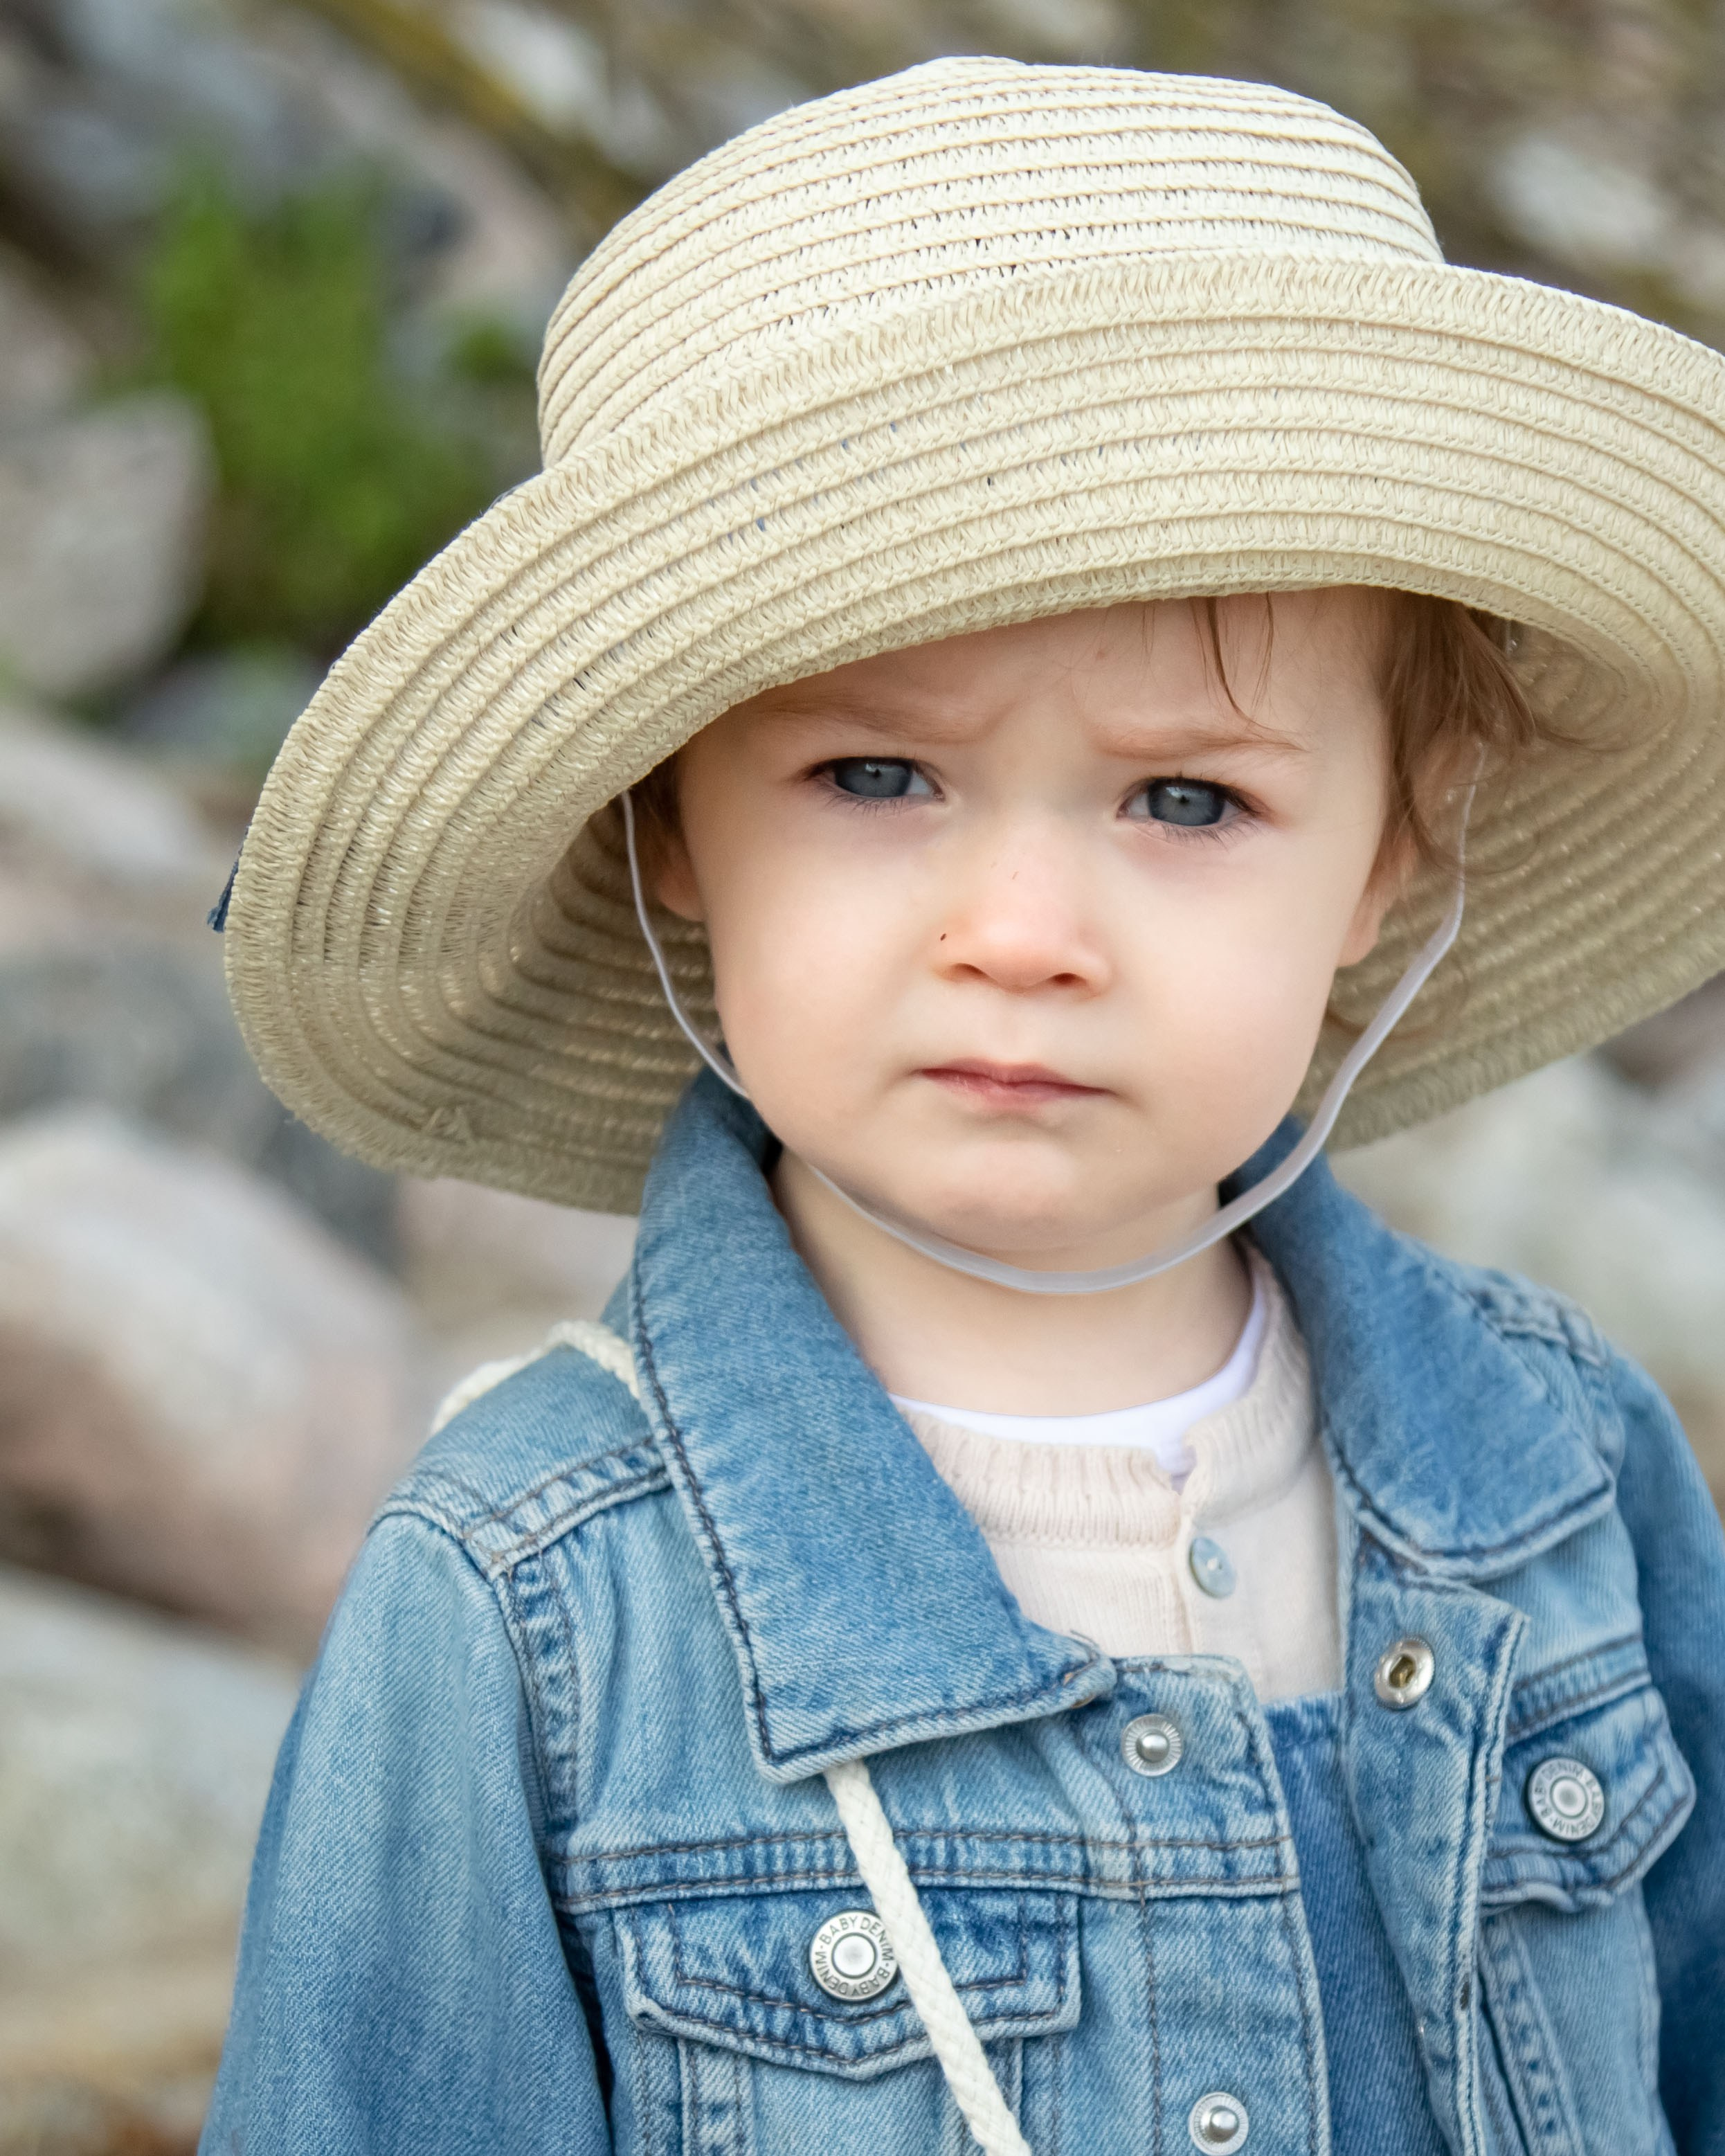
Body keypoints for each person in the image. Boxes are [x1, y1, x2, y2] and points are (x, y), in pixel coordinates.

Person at [204, 57, 1725, 2156]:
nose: (1022, 930)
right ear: (669, 819)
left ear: (1390, 853)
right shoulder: (535, 1599)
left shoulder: (1565, 1473)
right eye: (875, 776)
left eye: (1186, 796)